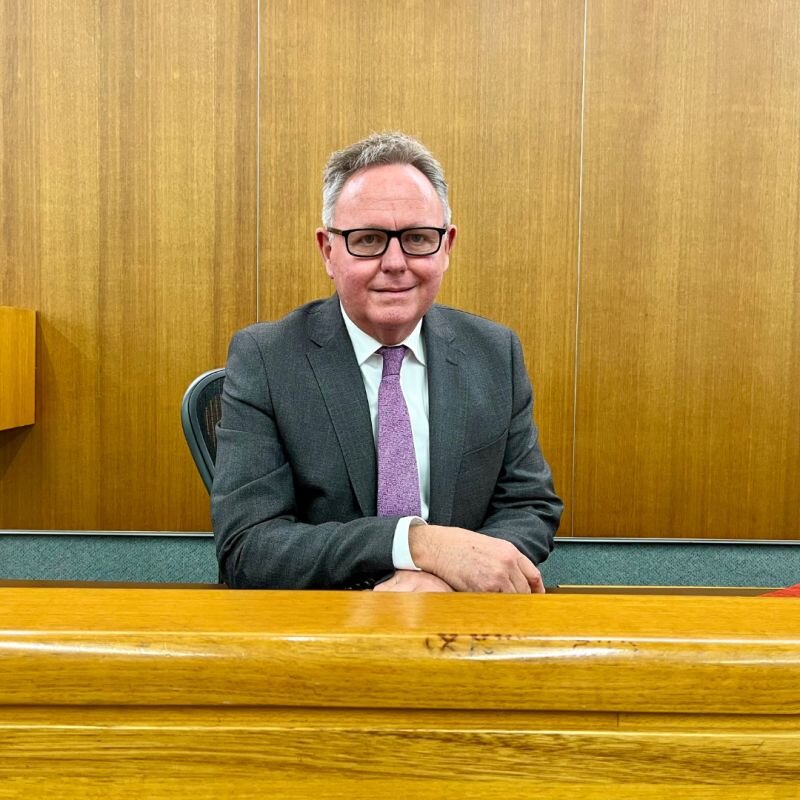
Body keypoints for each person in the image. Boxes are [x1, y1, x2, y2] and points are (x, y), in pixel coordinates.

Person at [212, 132, 562, 592]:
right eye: (369, 239)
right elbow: (249, 546)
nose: (395, 262)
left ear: (447, 246)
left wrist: (450, 579)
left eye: (418, 238)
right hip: (323, 631)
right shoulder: (267, 360)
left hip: (460, 625)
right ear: (328, 251)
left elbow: (529, 505)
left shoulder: (495, 353)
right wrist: (419, 546)